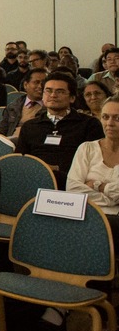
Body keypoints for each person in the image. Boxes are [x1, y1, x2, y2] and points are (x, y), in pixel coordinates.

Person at [15, 71, 104, 188]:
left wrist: (57, 168)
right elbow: (20, 160)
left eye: (60, 91)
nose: (53, 95)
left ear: (72, 98)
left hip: (74, 182)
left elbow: (95, 162)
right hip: (34, 181)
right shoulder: (30, 126)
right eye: (48, 91)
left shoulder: (89, 124)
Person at [66, 96, 119, 241]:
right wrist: (112, 200)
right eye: (105, 117)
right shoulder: (86, 148)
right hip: (84, 213)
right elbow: (73, 188)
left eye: (117, 118)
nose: (109, 123)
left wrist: (97, 185)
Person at [0, 68, 47, 138]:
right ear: (25, 85)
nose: (40, 86)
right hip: (11, 143)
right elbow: (1, 131)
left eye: (44, 83)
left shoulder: (51, 109)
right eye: (36, 82)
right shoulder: (13, 107)